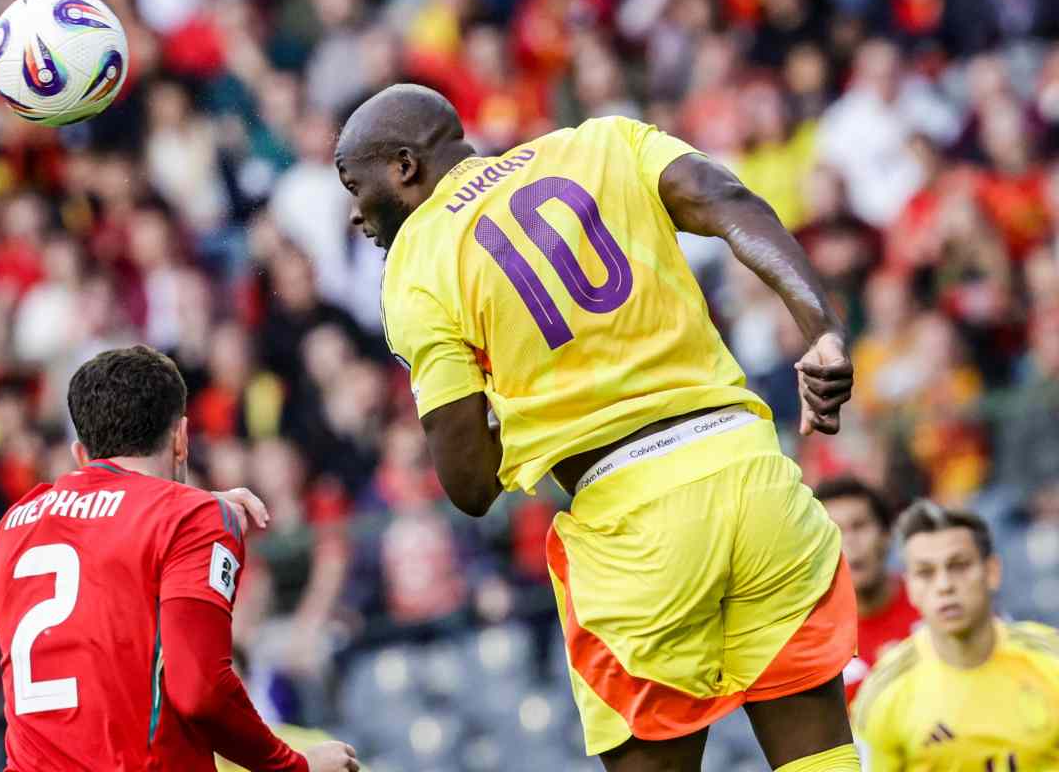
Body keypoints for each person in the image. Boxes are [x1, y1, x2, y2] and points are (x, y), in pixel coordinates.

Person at [335, 83, 859, 771]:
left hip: (632, 528)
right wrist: (822, 331)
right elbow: (727, 199)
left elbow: (468, 485)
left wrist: (515, 394)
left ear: (405, 167)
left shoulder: (418, 261)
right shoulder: (603, 141)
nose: (354, 212)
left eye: (354, 183)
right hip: (754, 477)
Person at [0, 346, 359, 772]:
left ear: (80, 454)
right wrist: (295, 766)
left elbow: (102, 520)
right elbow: (201, 691)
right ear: (182, 439)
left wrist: (188, 510)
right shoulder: (192, 517)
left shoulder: (16, 523)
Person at [852, 501, 1059, 769]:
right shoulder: (883, 692)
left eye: (959, 566)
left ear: (992, 571)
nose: (945, 585)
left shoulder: (1051, 659)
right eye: (926, 572)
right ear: (911, 586)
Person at [816, 478, 919, 703]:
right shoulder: (810, 640)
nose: (850, 541)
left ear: (886, 535)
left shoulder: (934, 604)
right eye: (834, 530)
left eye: (860, 525)